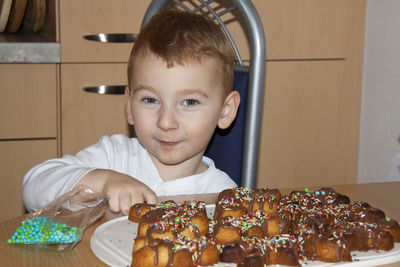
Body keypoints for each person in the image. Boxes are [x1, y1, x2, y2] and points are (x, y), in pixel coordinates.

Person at [23, 9, 240, 215]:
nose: (166, 122)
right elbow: (33, 187)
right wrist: (103, 181)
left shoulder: (223, 196)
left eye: (190, 102)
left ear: (225, 111)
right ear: (129, 106)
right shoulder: (114, 157)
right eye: (150, 100)